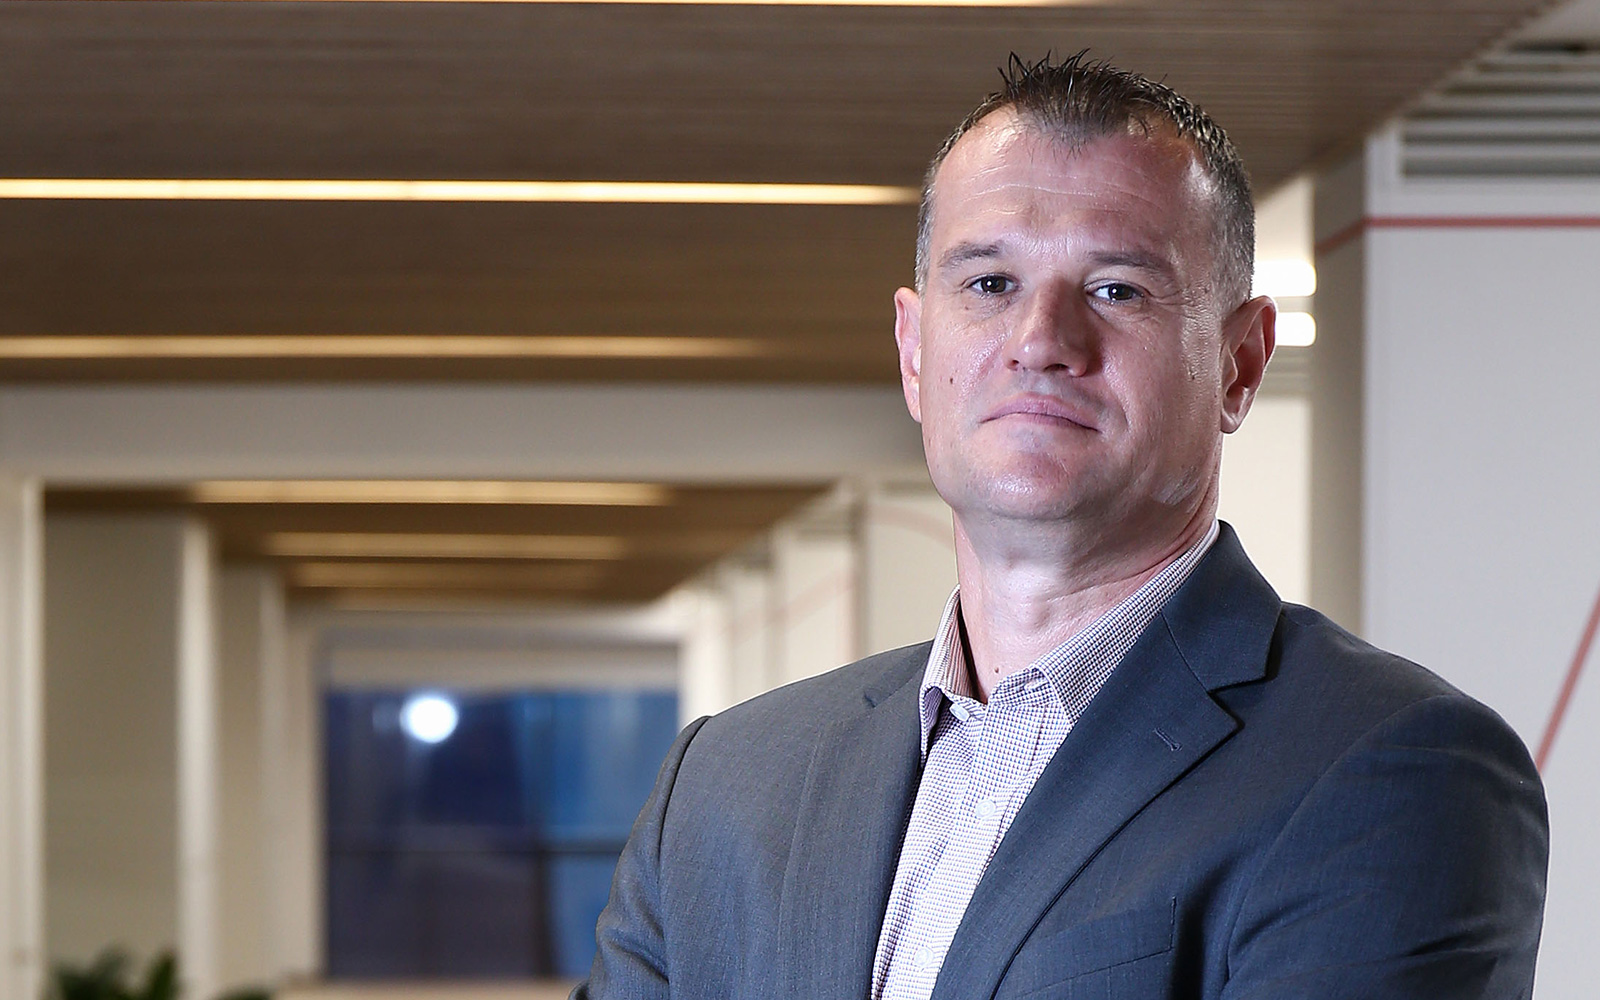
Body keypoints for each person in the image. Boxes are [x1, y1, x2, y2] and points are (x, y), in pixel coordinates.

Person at [572, 53, 1548, 1000]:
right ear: (913, 352)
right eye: (989, 283)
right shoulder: (723, 784)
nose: (1041, 340)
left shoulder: (1387, 770)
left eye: (1117, 288)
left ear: (1240, 363)